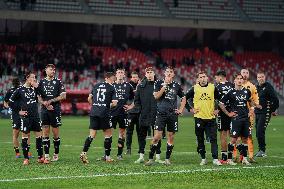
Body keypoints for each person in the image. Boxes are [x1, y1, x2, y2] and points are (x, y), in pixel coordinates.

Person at [145, 66, 186, 166]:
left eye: (170, 72)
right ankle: (150, 158)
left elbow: (184, 97)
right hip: (161, 113)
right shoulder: (158, 83)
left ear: (173, 74)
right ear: (164, 73)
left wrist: (180, 109)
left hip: (172, 114)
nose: (168, 73)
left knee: (171, 136)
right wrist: (164, 86)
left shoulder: (176, 85)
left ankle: (167, 159)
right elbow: (156, 96)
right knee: (157, 137)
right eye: (167, 71)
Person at [219, 73, 261, 165]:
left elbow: (251, 101)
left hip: (246, 119)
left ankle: (244, 159)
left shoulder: (246, 91)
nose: (239, 80)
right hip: (236, 119)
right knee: (233, 140)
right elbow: (221, 103)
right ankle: (229, 159)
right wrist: (228, 113)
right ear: (234, 81)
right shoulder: (230, 92)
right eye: (237, 78)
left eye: (241, 79)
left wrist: (252, 110)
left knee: (245, 139)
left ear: (242, 80)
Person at [125, 67, 163, 164]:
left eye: (151, 72)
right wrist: (140, 110)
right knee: (142, 136)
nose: (149, 74)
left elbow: (163, 99)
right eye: (148, 72)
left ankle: (158, 156)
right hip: (144, 114)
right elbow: (137, 101)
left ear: (154, 74)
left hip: (156, 114)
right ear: (145, 74)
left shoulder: (159, 85)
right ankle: (141, 156)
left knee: (157, 135)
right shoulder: (141, 86)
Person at [80, 72, 118, 164]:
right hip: (104, 113)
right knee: (108, 135)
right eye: (114, 77)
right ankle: (108, 157)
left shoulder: (96, 85)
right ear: (108, 77)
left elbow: (89, 99)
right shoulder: (112, 88)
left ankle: (84, 153)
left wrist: (96, 105)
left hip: (94, 112)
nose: (115, 78)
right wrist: (105, 105)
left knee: (92, 135)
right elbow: (115, 103)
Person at [185, 71, 222, 166]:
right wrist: (190, 109)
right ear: (198, 79)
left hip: (211, 118)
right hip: (199, 118)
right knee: (200, 139)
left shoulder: (213, 87)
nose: (203, 78)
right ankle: (203, 158)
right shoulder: (194, 88)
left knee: (213, 139)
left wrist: (217, 109)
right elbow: (185, 98)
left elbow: (220, 99)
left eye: (204, 76)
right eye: (200, 77)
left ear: (207, 78)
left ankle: (215, 159)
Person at [9, 72, 44, 165]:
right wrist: (18, 111)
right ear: (27, 78)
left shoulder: (35, 89)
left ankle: (40, 157)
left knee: (39, 136)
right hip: (26, 117)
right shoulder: (20, 90)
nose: (34, 79)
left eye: (35, 77)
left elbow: (42, 95)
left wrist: (37, 87)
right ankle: (26, 158)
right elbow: (10, 102)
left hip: (36, 116)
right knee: (25, 137)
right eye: (32, 77)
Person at [37, 64, 66, 164]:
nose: (53, 71)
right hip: (44, 110)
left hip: (55, 109)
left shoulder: (58, 81)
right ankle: (47, 156)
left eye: (54, 70)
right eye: (51, 69)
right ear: (46, 70)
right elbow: (38, 96)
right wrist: (44, 103)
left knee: (55, 133)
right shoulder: (41, 82)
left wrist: (51, 101)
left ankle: (56, 154)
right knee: (45, 133)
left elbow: (63, 96)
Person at [4, 77, 32, 158]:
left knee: (16, 134)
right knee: (27, 133)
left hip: (16, 114)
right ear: (19, 82)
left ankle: (18, 153)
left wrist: (10, 108)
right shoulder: (21, 89)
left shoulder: (10, 91)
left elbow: (6, 103)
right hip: (22, 113)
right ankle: (27, 152)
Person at [235, 68, 259, 163]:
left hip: (249, 116)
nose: (245, 74)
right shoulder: (236, 86)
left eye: (247, 73)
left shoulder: (251, 86)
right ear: (240, 75)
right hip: (237, 115)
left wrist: (252, 109)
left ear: (248, 75)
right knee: (236, 137)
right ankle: (236, 156)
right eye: (243, 73)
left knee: (248, 136)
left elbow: (255, 100)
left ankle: (250, 156)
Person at [111, 68, 134, 160]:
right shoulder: (111, 85)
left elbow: (135, 99)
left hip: (123, 113)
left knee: (122, 133)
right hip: (112, 113)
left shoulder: (128, 86)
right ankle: (106, 154)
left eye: (122, 73)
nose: (120, 74)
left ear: (124, 75)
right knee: (108, 133)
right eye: (118, 72)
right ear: (116, 75)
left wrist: (130, 107)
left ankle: (119, 154)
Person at [255, 71, 279, 157]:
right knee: (258, 132)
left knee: (260, 131)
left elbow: (275, 99)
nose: (261, 78)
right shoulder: (257, 87)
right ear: (257, 78)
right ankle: (260, 150)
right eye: (259, 77)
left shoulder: (268, 86)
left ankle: (262, 151)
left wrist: (272, 110)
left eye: (262, 77)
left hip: (265, 113)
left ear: (264, 78)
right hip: (257, 112)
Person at [214, 70, 234, 163]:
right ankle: (234, 156)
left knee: (223, 134)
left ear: (220, 77)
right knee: (234, 134)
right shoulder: (232, 85)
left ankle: (224, 157)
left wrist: (216, 109)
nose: (216, 79)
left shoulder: (217, 87)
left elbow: (216, 100)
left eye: (216, 78)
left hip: (222, 112)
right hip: (233, 111)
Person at [125, 71, 140, 155]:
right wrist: (137, 90)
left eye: (136, 77)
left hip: (139, 112)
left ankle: (140, 149)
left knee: (140, 131)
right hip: (130, 113)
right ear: (131, 78)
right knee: (129, 132)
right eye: (133, 77)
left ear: (138, 78)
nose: (135, 78)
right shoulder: (127, 86)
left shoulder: (141, 85)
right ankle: (128, 149)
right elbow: (128, 96)